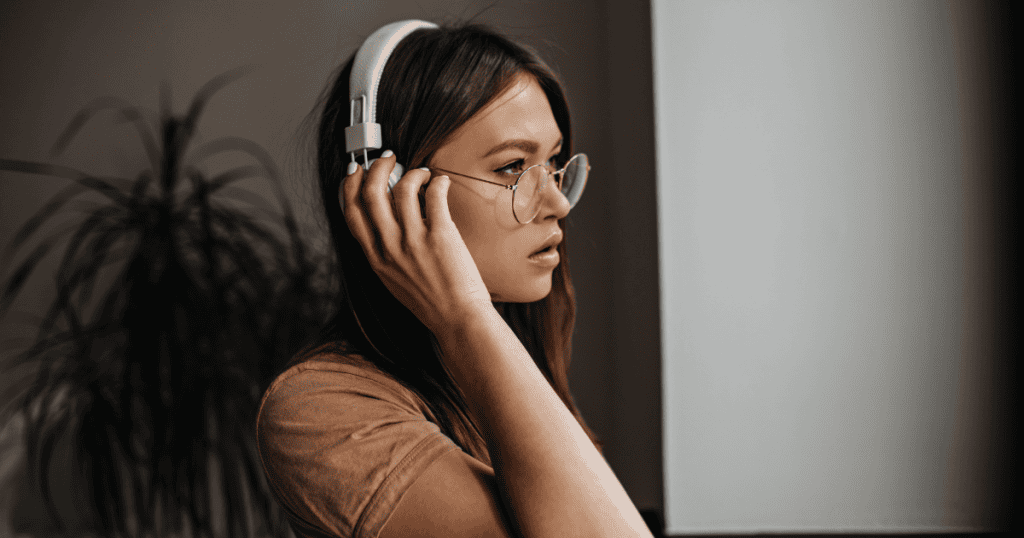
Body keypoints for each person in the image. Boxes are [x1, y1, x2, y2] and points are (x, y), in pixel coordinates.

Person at [256, 20, 653, 538]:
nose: (557, 202)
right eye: (513, 166)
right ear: (394, 189)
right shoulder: (315, 410)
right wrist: (465, 315)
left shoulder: (502, 361)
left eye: (554, 161)